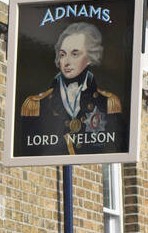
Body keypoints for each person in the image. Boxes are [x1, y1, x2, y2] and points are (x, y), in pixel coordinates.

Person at [18, 23, 125, 160]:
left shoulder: (107, 103)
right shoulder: (35, 105)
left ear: (90, 57)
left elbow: (113, 150)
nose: (67, 62)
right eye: (63, 55)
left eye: (75, 54)